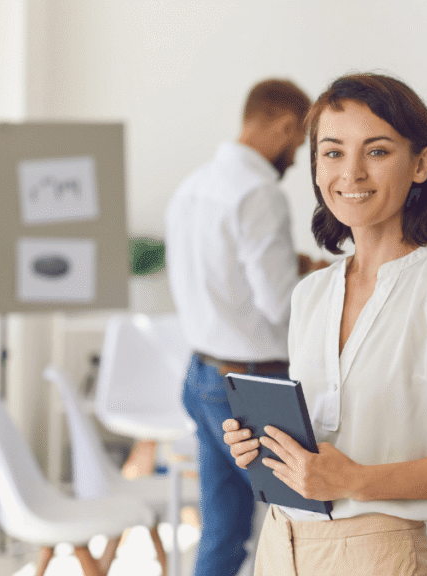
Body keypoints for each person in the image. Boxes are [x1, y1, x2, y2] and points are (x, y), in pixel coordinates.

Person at [222, 73, 427, 576]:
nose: (352, 173)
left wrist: (355, 480)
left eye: (378, 151)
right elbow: (324, 433)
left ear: (421, 163)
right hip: (280, 545)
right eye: (333, 152)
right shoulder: (311, 294)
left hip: (379, 554)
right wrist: (268, 450)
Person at [165, 78, 322, 576]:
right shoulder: (259, 192)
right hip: (254, 385)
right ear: (283, 125)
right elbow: (280, 305)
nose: (295, 158)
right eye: (298, 142)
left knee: (224, 533)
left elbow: (222, 277)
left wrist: (293, 264)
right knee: (303, 527)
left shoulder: (194, 184)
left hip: (202, 374)